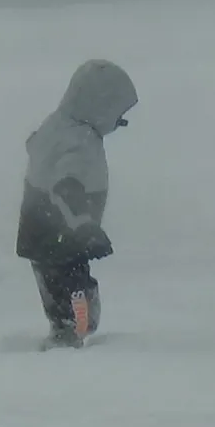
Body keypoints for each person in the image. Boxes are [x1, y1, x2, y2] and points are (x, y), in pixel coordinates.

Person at [16, 59, 138, 349]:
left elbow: (34, 145)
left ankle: (64, 327)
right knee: (74, 287)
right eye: (118, 115)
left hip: (40, 228)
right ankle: (73, 332)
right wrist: (82, 225)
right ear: (100, 105)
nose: (119, 122)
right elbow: (66, 186)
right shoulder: (79, 140)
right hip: (63, 234)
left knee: (53, 280)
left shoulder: (58, 125)